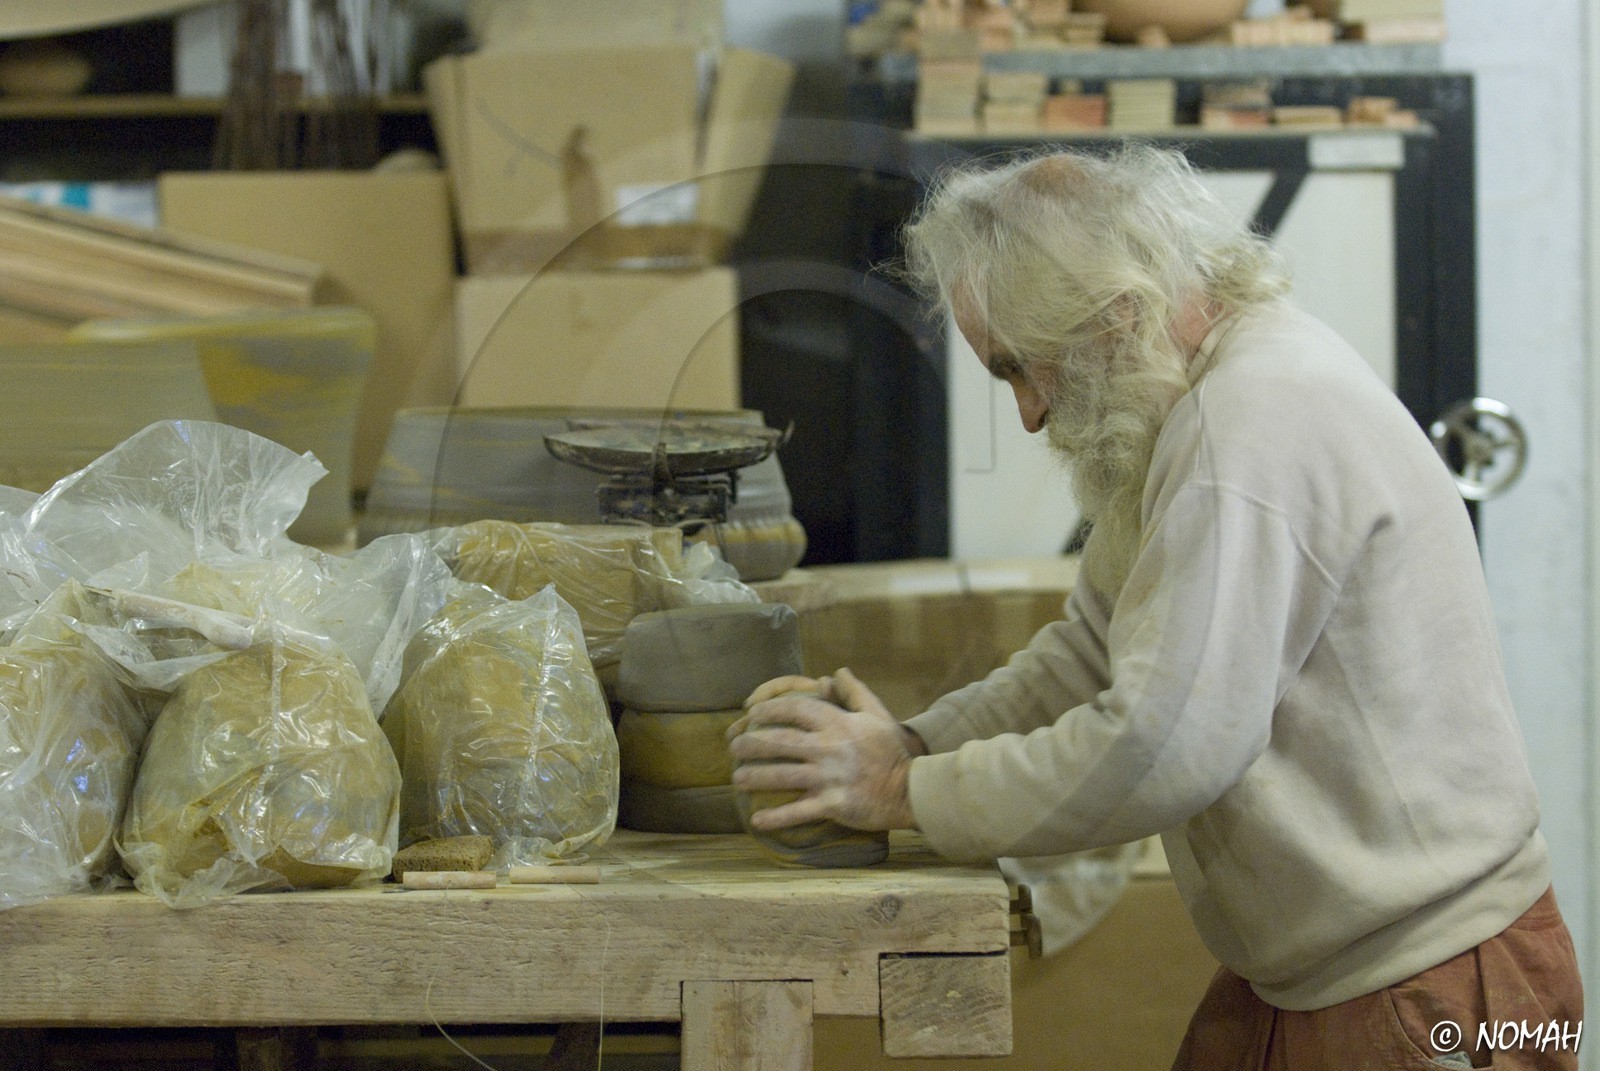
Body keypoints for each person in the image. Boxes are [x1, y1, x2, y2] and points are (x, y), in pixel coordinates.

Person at [727, 145, 1582, 1069]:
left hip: (1428, 980)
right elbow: (1089, 650)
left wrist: (903, 792)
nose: (1029, 413)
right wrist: (913, 744)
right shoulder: (1191, 400)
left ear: (1112, 315)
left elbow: (1167, 744)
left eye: (1020, 367)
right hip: (1324, 971)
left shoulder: (1247, 422)